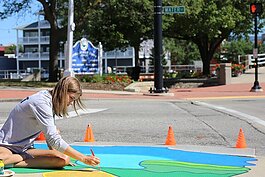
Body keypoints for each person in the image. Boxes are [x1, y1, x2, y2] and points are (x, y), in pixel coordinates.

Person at [0, 76, 100, 169]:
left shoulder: (50, 99)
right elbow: (53, 138)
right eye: (71, 98)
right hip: (7, 146)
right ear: (63, 92)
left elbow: (50, 136)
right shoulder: (41, 103)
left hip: (25, 149)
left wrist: (56, 154)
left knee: (64, 159)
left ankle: (13, 161)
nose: (71, 103)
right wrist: (83, 158)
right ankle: (14, 159)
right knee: (2, 158)